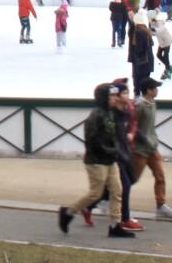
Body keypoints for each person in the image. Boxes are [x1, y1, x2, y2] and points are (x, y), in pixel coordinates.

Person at [58, 81, 135, 239]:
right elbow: (92, 141)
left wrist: (115, 152)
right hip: (96, 161)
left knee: (117, 190)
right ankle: (67, 212)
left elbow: (113, 136)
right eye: (112, 96)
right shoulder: (96, 116)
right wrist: (112, 151)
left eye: (115, 95)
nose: (115, 98)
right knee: (95, 194)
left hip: (111, 160)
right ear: (103, 98)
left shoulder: (110, 113)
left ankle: (115, 225)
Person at [131, 78, 172, 218]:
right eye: (155, 88)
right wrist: (143, 139)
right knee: (132, 178)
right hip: (140, 150)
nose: (157, 90)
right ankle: (111, 198)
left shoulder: (152, 103)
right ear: (149, 90)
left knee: (160, 176)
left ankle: (161, 204)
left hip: (152, 148)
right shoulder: (140, 105)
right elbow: (132, 125)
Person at [151, 12, 172, 80]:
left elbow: (160, 29)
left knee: (165, 56)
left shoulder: (157, 23)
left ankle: (168, 70)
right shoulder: (153, 23)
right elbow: (153, 33)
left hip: (166, 41)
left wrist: (154, 31)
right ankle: (169, 68)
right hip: (162, 42)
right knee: (159, 55)